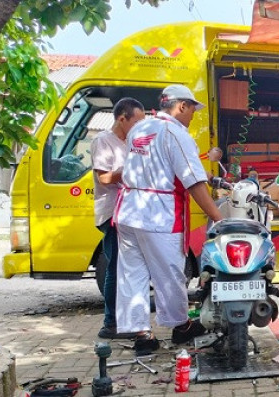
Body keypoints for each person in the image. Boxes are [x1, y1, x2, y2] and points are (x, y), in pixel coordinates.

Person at [115, 84, 224, 355]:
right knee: (170, 273)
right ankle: (181, 326)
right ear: (181, 106)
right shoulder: (175, 133)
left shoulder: (139, 128)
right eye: (192, 110)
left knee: (133, 273)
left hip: (129, 211)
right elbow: (194, 183)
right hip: (158, 214)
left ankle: (142, 333)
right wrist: (219, 219)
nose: (192, 116)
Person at [91, 97, 145, 339]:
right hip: (113, 212)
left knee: (129, 269)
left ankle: (126, 320)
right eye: (136, 122)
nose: (139, 127)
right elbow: (103, 178)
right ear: (122, 118)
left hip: (131, 213)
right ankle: (110, 323)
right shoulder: (103, 140)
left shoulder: (132, 142)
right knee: (115, 267)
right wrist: (129, 171)